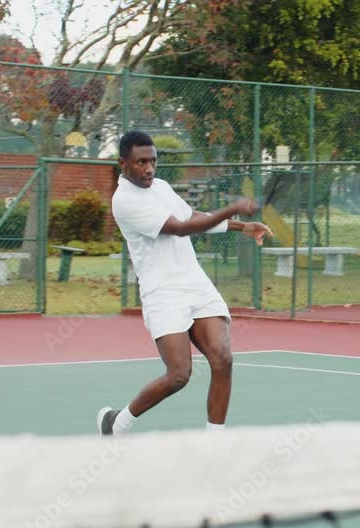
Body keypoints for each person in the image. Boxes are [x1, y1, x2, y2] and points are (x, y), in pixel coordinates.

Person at [97, 131, 273, 435]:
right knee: (179, 374)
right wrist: (233, 207)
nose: (149, 169)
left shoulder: (161, 187)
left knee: (223, 358)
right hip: (162, 293)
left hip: (195, 284)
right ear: (122, 163)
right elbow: (180, 228)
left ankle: (213, 443)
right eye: (141, 162)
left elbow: (192, 215)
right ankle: (117, 422)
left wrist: (241, 226)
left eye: (153, 161)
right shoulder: (124, 201)